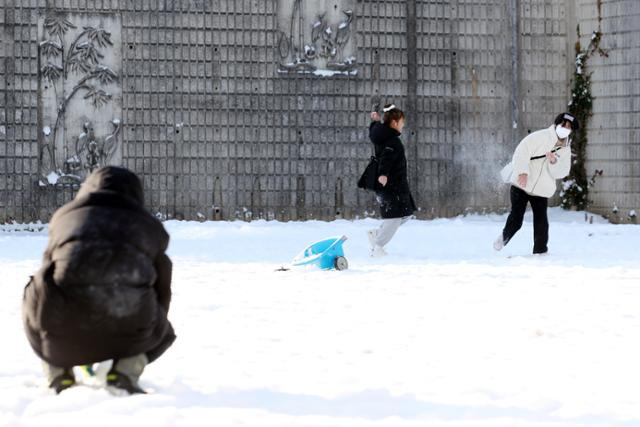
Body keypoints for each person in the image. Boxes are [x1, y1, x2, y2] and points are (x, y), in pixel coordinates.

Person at [22, 166, 176, 394]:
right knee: (165, 332)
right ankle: (125, 370)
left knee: (34, 289)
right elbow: (162, 289)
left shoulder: (64, 218)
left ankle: (58, 372)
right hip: (130, 328)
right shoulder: (151, 228)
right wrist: (153, 325)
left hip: (62, 332)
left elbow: (47, 276)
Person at [494, 112, 579, 254]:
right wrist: (522, 172)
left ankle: (540, 252)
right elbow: (522, 151)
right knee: (516, 218)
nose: (565, 128)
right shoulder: (540, 137)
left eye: (569, 127)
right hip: (521, 184)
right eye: (563, 124)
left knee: (541, 222)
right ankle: (503, 237)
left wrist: (554, 162)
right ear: (557, 124)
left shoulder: (565, 150)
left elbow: (562, 172)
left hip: (541, 190)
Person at [367, 104, 416, 257]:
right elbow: (386, 159)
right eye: (402, 122)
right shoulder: (391, 141)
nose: (403, 125)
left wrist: (374, 122)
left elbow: (374, 131)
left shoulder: (381, 135)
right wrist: (383, 174)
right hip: (390, 184)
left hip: (398, 184)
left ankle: (378, 234)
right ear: (394, 123)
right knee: (394, 217)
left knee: (406, 214)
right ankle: (378, 247)